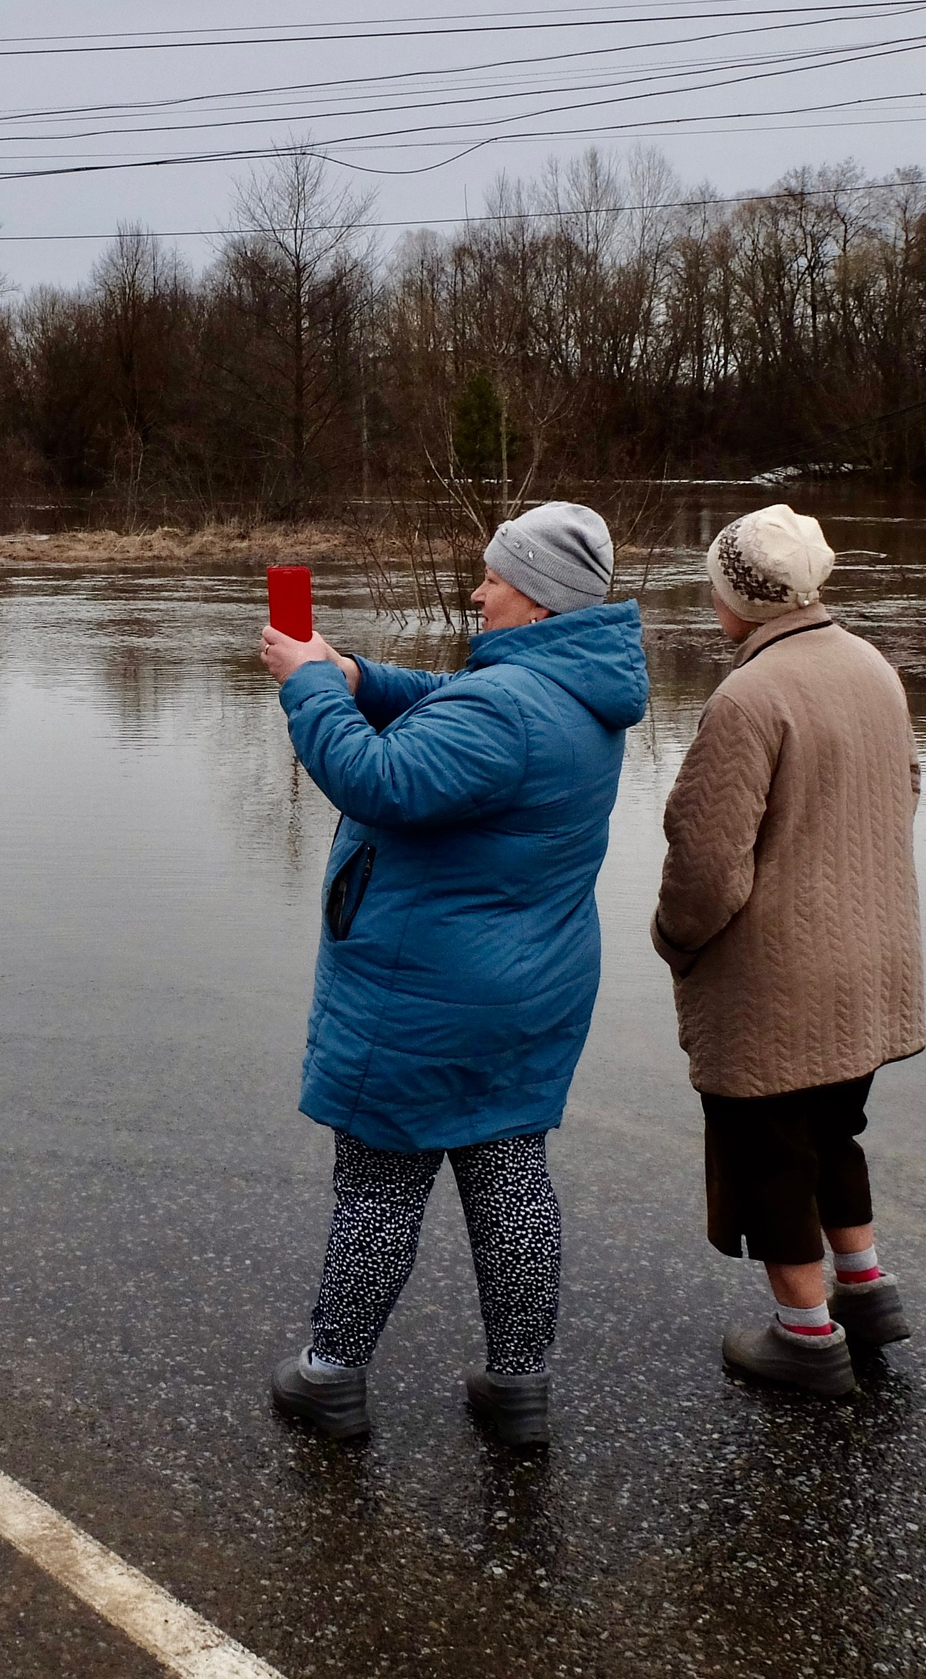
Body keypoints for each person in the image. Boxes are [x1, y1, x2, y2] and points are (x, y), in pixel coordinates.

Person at [257, 502, 649, 1446]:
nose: (477, 591)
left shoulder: (508, 706)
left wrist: (311, 686)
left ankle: (332, 1374)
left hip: (428, 990)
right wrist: (361, 676)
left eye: (495, 578)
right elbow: (455, 710)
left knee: (381, 1184)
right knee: (509, 1172)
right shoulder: (575, 687)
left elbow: (380, 779)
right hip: (532, 982)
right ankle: (518, 1388)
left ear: (542, 602)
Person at [651, 503, 925, 1400]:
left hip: (779, 975)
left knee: (767, 1151)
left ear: (742, 597)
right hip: (871, 958)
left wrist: (674, 941)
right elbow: (906, 791)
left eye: (716, 584)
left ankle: (806, 1339)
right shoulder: (871, 666)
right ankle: (866, 1290)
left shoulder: (750, 695)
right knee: (832, 1130)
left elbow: (705, 863)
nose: (711, 597)